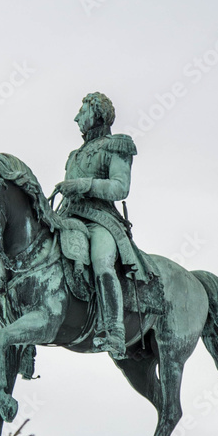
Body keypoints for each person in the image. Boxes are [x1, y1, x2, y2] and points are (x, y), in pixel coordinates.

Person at [54, 92, 149, 358]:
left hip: (101, 220)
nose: (76, 118)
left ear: (97, 114)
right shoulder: (74, 155)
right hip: (69, 218)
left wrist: (83, 185)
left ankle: (114, 330)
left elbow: (121, 187)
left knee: (101, 261)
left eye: (82, 112)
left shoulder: (117, 146)